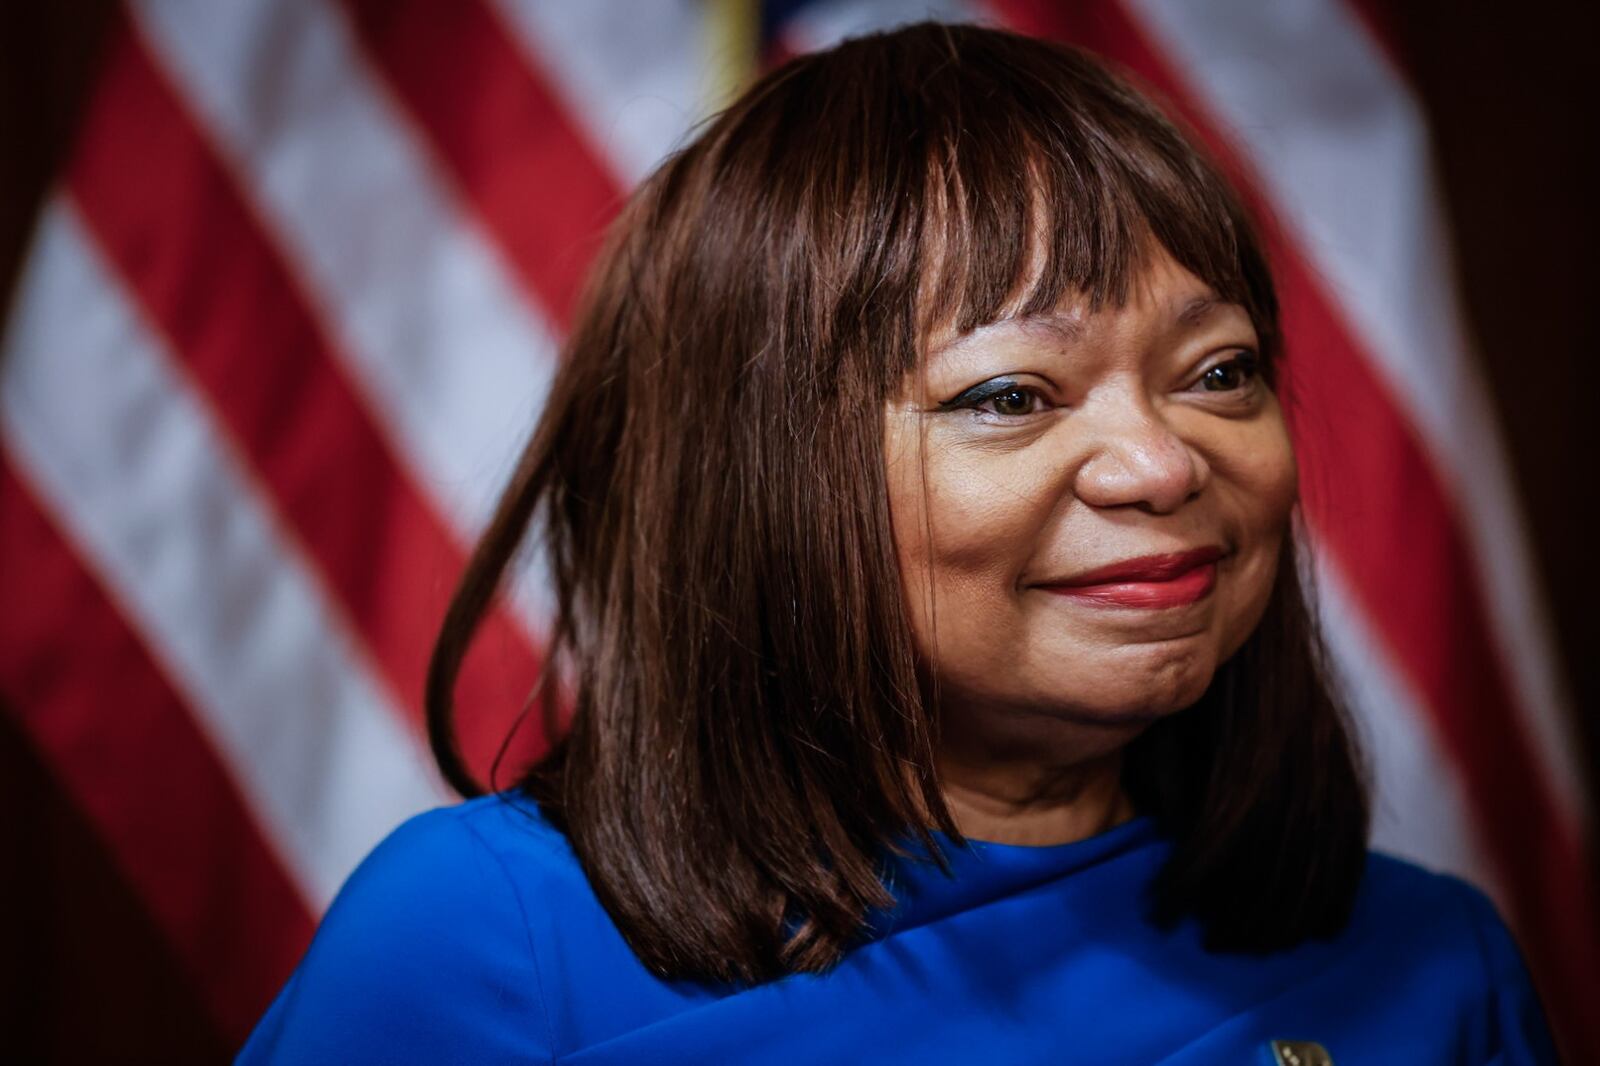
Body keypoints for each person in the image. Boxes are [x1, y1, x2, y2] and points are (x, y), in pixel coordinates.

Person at [237, 21, 1560, 1065]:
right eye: (1008, 397)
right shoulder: (479, 947)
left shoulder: (1431, 961)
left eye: (1218, 372)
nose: (1164, 464)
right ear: (761, 478)